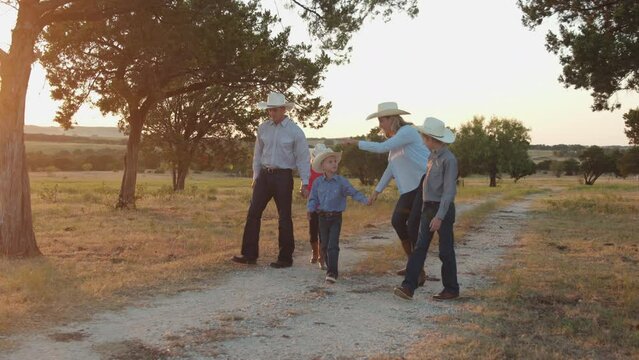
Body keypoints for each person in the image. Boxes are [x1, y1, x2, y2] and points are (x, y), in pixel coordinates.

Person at [349, 102, 430, 278]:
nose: (380, 125)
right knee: (397, 221)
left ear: (392, 119)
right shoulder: (395, 143)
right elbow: (391, 168)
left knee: (413, 225)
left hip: (423, 184)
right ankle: (413, 264)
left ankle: (418, 270)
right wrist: (376, 192)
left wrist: (356, 142)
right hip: (409, 189)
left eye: (382, 121)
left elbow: (379, 148)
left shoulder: (407, 132)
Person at [231, 91, 310, 268]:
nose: (271, 113)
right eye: (269, 110)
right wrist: (256, 176)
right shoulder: (263, 128)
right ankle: (249, 254)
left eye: (274, 110)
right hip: (264, 176)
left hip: (283, 176)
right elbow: (257, 154)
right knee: (253, 214)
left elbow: (303, 158)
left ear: (283, 110)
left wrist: (305, 182)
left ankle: (285, 258)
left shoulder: (295, 131)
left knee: (284, 217)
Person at [394, 117, 459, 301]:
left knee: (445, 251)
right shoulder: (431, 157)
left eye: (424, 137)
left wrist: (439, 216)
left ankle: (451, 289)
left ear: (431, 139)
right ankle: (408, 287)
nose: (422, 140)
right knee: (420, 248)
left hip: (442, 210)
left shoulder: (449, 160)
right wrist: (423, 208)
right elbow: (427, 186)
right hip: (428, 208)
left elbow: (449, 192)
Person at [307, 146, 369, 283]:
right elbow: (313, 198)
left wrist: (365, 200)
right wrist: (310, 209)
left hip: (336, 217)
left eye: (335, 161)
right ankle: (330, 266)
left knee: (332, 245)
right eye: (330, 162)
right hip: (322, 217)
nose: (334, 164)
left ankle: (332, 273)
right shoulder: (317, 183)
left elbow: (353, 192)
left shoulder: (341, 182)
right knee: (324, 246)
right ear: (322, 166)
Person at [308, 144, 325, 269]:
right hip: (313, 207)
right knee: (313, 231)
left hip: (326, 208)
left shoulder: (328, 172)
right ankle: (315, 252)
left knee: (323, 232)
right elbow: (306, 187)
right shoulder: (310, 171)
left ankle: (322, 257)